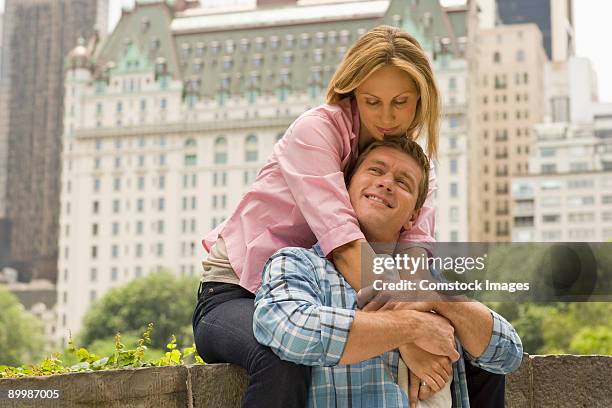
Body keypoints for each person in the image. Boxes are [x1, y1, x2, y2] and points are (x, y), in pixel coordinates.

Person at [193, 24, 477, 407]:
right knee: (281, 359)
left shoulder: (417, 168)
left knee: (472, 354)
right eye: (372, 101)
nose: (387, 117)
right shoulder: (317, 130)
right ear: (353, 92)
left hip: (337, 296)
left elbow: (414, 263)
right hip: (239, 293)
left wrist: (436, 322)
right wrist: (408, 333)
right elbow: (344, 247)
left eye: (401, 101)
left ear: (421, 101)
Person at [253, 137, 523, 408]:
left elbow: (508, 354)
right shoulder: (298, 263)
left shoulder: (428, 278)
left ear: (413, 217)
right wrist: (414, 327)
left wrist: (440, 300)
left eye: (403, 182)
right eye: (375, 170)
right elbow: (289, 329)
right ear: (344, 189)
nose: (386, 183)